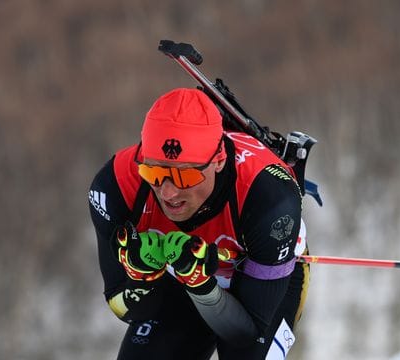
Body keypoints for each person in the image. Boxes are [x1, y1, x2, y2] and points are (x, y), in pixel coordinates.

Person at [88, 88, 310, 359]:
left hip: (258, 278)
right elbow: (122, 306)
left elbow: (245, 333)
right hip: (176, 280)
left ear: (218, 161)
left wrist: (200, 283)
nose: (167, 193)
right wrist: (142, 278)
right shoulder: (117, 186)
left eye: (184, 177)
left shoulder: (270, 200)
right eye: (154, 172)